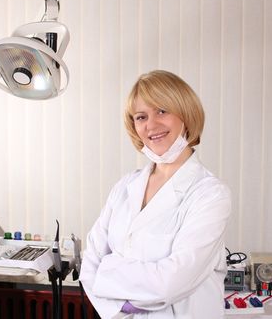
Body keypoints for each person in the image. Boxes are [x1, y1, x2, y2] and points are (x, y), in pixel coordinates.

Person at [79, 70, 231, 318]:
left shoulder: (211, 194)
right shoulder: (125, 186)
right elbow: (90, 266)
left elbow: (170, 283)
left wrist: (110, 270)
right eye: (141, 117)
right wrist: (122, 306)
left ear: (186, 113)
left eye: (162, 110)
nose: (151, 125)